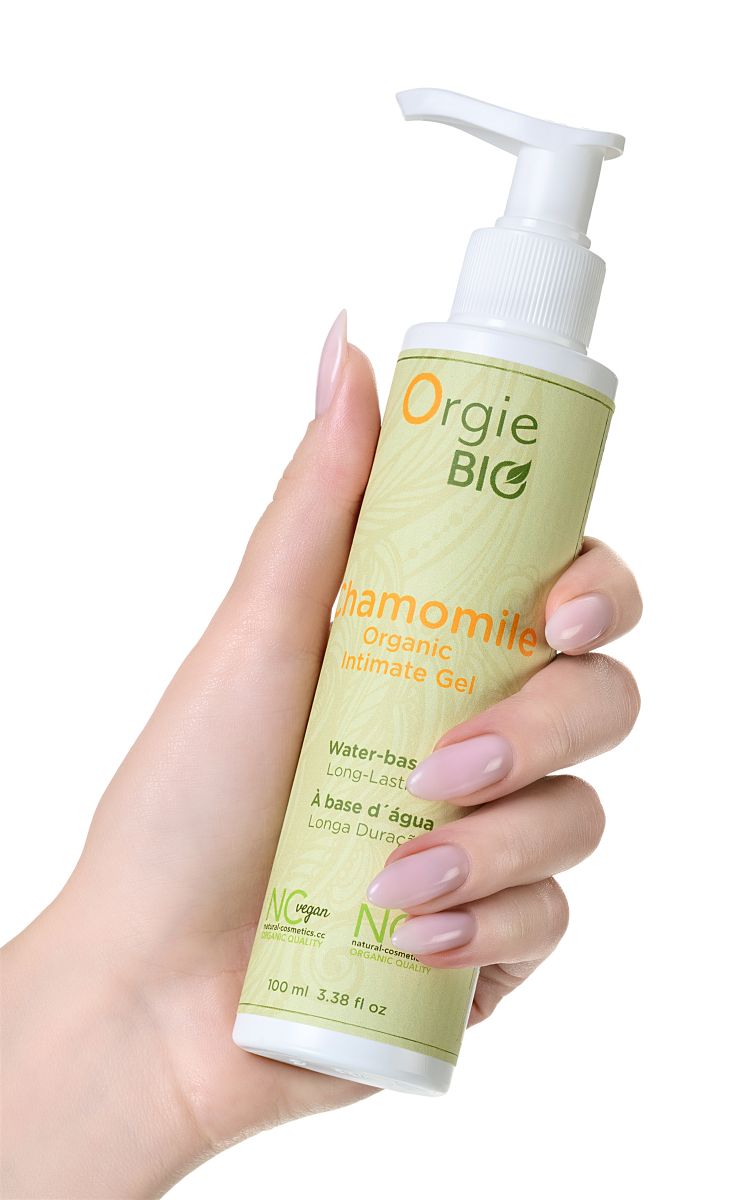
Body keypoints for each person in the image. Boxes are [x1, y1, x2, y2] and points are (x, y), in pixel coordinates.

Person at [0, 314, 642, 1198]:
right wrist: (134, 986)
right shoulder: (443, 369)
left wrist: (144, 1024)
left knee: (505, 624)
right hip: (256, 952)